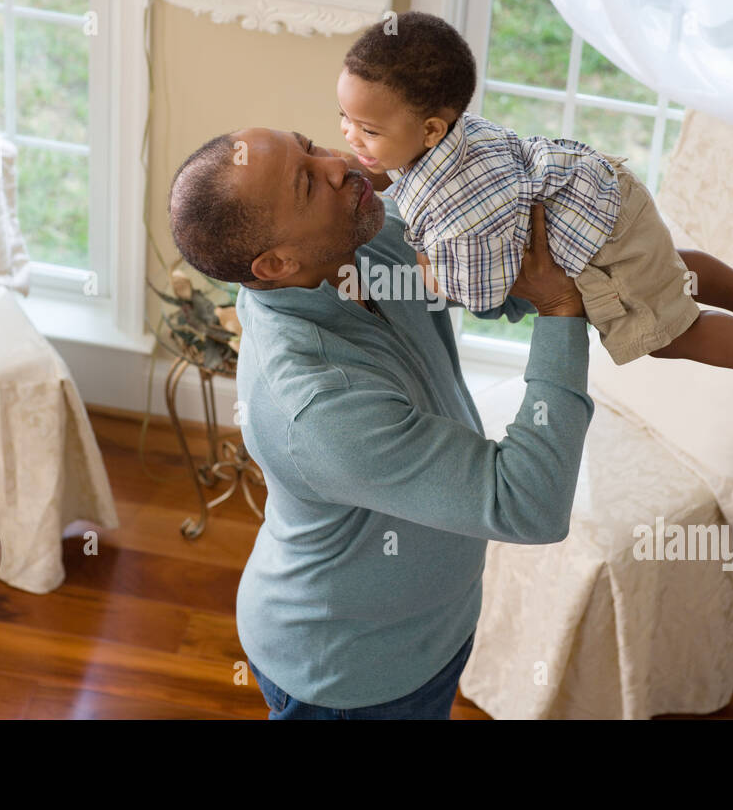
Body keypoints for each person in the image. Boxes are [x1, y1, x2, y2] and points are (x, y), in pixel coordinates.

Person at [168, 127, 594, 718]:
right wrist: (560, 311)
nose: (339, 165)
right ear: (275, 263)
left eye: (311, 146)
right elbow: (528, 504)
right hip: (350, 676)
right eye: (307, 182)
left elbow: (492, 280)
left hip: (432, 630)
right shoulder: (318, 406)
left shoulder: (356, 244)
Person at [338, 11, 733, 441]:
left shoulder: (457, 214)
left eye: (368, 130)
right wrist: (382, 160)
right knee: (670, 268)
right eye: (346, 118)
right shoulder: (447, 132)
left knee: (669, 333)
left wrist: (424, 268)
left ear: (429, 130)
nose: (349, 135)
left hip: (594, 248)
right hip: (603, 193)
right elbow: (413, 167)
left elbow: (480, 293)